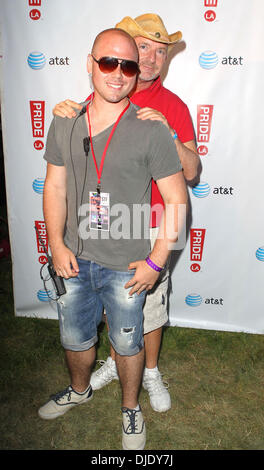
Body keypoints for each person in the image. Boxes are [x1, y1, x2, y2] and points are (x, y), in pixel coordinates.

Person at [38, 28, 187, 450]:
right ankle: (80, 389)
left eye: (128, 65)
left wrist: (156, 261)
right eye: (108, 62)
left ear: (136, 73)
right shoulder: (65, 119)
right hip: (73, 259)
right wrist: (57, 245)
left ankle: (130, 409)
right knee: (74, 338)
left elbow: (176, 199)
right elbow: (54, 187)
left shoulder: (150, 128)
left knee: (127, 342)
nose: (118, 73)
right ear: (90, 64)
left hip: (127, 266)